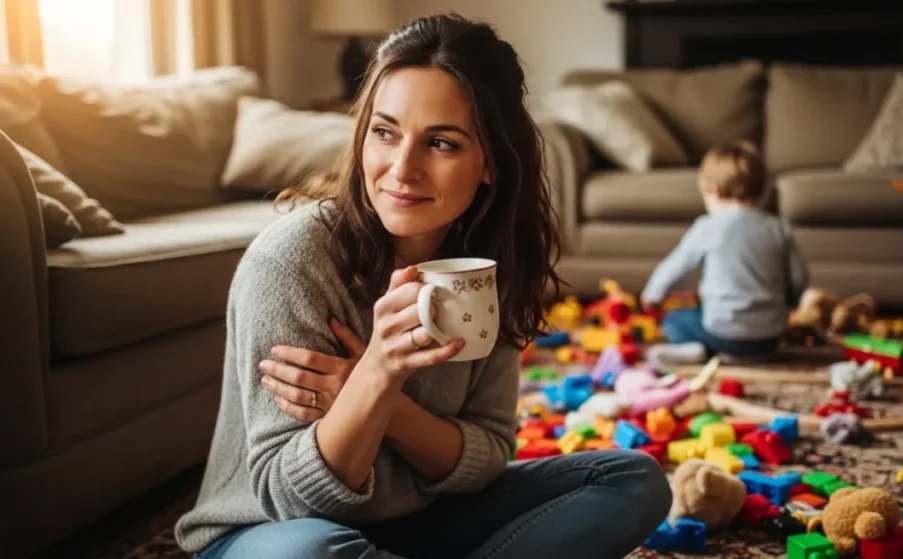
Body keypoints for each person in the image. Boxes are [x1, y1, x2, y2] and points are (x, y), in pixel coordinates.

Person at [175, 13, 671, 559]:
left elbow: (485, 457)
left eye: (441, 143)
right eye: (385, 133)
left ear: (491, 164)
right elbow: (288, 498)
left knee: (631, 479)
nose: (402, 169)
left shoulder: (484, 270)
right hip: (268, 532)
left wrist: (380, 402)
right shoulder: (290, 263)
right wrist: (380, 369)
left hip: (422, 524)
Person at [641, 142, 808, 359]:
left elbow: (676, 266)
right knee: (726, 325)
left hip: (723, 332)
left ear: (715, 190)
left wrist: (652, 296)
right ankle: (736, 352)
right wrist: (790, 304)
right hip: (769, 338)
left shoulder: (708, 226)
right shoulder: (778, 227)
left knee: (673, 321)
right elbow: (798, 278)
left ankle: (703, 350)